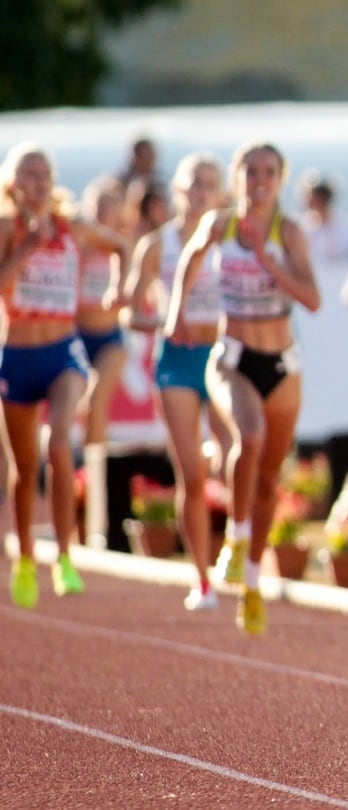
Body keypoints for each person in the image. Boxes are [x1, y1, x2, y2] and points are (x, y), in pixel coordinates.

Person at [167, 140, 321, 634]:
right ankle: (234, 541)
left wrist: (266, 258)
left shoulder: (289, 231)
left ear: (281, 179)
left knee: (271, 478)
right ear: (238, 178)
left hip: (281, 362)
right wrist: (177, 314)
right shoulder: (221, 224)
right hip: (231, 357)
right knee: (248, 436)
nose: (259, 179)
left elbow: (312, 298)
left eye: (269, 171)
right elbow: (190, 260)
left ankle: (252, 583)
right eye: (250, 170)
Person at [0, 143, 132, 608]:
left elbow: (120, 245)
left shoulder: (72, 226)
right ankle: (25, 558)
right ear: (13, 183)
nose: (37, 182)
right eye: (28, 174)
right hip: (16, 355)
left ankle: (66, 557)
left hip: (62, 353)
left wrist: (120, 285)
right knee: (23, 469)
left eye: (44, 174)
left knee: (59, 443)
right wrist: (27, 248)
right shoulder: (5, 228)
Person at [123, 152, 228, 610]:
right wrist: (166, 322)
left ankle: (239, 554)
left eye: (210, 183)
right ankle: (202, 580)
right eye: (194, 183)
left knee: (235, 458)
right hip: (178, 362)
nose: (201, 191)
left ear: (221, 193)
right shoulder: (156, 245)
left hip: (224, 357)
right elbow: (129, 310)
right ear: (179, 190)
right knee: (192, 473)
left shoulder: (231, 240)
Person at [75, 176, 131, 452]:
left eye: (110, 205)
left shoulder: (124, 246)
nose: (103, 211)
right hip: (75, 335)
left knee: (96, 403)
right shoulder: (78, 242)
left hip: (110, 338)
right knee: (78, 407)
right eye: (98, 204)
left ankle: (92, 477)